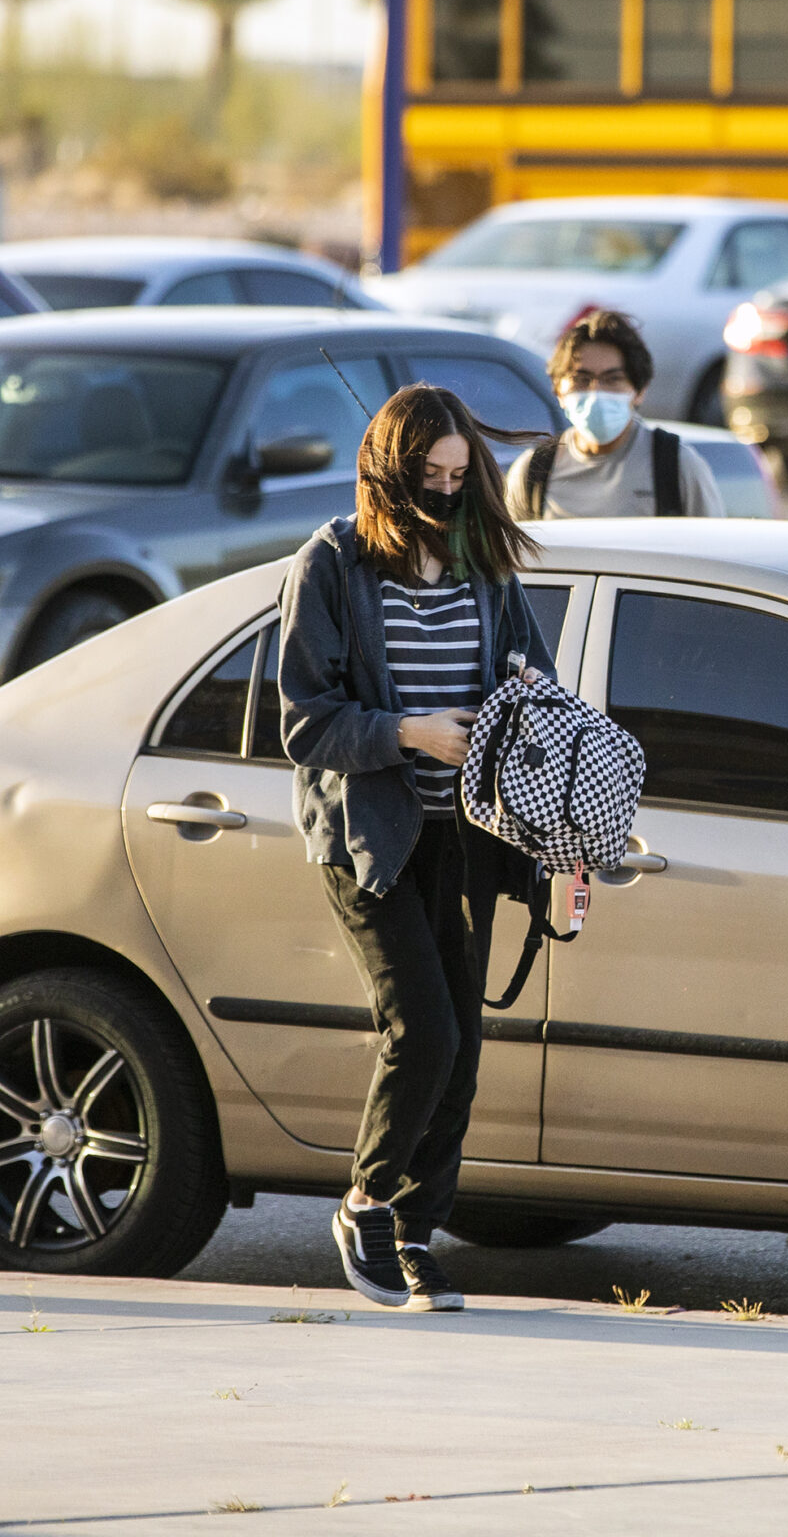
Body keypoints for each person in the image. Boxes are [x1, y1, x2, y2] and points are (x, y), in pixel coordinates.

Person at [279, 383, 556, 1313]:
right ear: (392, 477)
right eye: (429, 477)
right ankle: (363, 1200)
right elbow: (305, 724)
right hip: (372, 837)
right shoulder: (333, 563)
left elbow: (538, 681)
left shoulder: (484, 561)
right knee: (423, 1030)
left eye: (458, 475)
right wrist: (408, 733)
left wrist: (526, 721)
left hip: (467, 835)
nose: (446, 492)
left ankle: (413, 1235)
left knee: (464, 1047)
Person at [504, 309, 725, 520]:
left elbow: (713, 550)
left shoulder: (675, 466)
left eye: (613, 379)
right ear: (558, 389)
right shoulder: (533, 473)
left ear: (639, 391)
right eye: (582, 379)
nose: (596, 392)